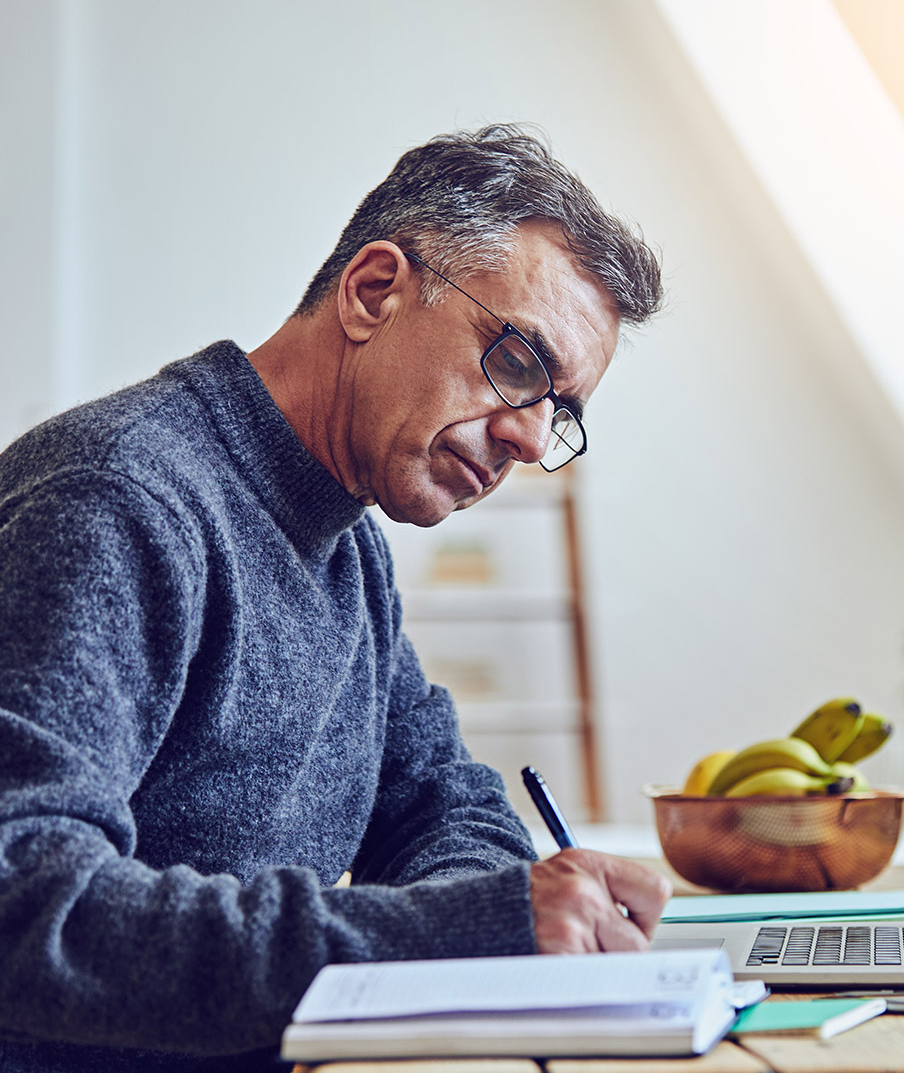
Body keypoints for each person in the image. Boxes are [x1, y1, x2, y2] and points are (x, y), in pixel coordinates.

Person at [0, 124, 672, 1071]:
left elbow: (444, 804)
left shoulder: (346, 540)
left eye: (559, 410)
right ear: (373, 292)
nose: (529, 440)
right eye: (518, 364)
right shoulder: (120, 500)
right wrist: (445, 937)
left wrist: (470, 924)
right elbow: (24, 902)